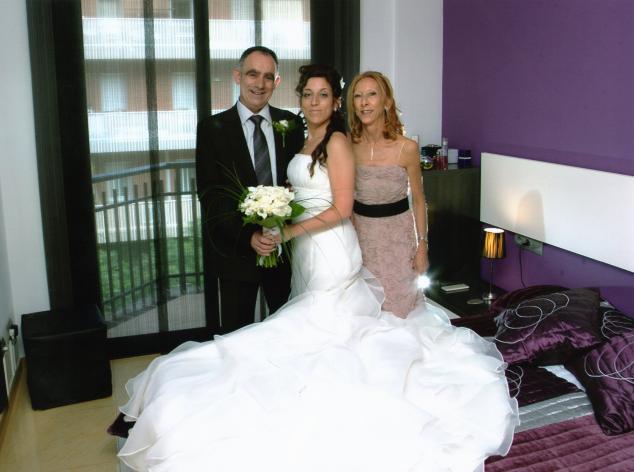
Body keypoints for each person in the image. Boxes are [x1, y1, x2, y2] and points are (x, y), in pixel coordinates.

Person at [117, 64, 518, 472]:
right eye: (308, 94)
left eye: (324, 94)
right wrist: (276, 209)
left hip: (340, 246)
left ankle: (340, 388)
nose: (316, 101)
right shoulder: (306, 135)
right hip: (321, 246)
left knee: (340, 324)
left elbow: (356, 205)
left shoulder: (349, 143)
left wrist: (417, 244)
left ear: (343, 101)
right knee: (323, 324)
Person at [195, 46, 304, 333]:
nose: (260, 84)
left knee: (288, 332)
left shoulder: (291, 124)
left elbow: (298, 183)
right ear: (237, 76)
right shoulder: (212, 128)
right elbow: (210, 194)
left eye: (268, 77)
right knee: (236, 336)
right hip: (235, 254)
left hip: (284, 252)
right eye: (253, 74)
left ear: (276, 82)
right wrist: (249, 236)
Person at [347, 71, 429, 318]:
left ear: (387, 102)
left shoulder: (407, 148)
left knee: (398, 310)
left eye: (372, 94)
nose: (364, 102)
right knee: (365, 310)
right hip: (361, 241)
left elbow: (419, 200)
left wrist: (422, 246)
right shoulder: (348, 145)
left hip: (398, 242)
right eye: (358, 96)